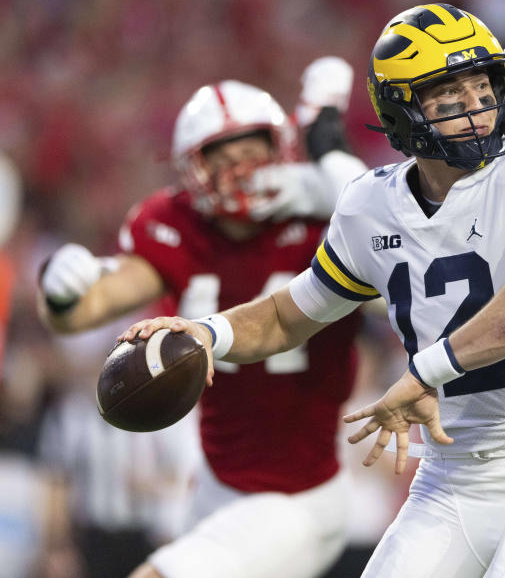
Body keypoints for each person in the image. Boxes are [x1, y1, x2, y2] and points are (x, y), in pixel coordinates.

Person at [116, 3, 505, 578]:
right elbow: (288, 316)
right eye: (448, 96)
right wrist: (208, 331)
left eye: (482, 86)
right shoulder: (371, 205)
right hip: (455, 479)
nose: (476, 108)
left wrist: (426, 372)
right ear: (403, 112)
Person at [37, 69, 368, 578]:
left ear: (279, 152)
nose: (241, 171)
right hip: (213, 486)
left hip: (298, 493)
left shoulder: (330, 220)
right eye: (223, 158)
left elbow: (411, 265)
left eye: (251, 154)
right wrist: (60, 294)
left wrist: (352, 199)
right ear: (192, 168)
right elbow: (86, 311)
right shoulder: (172, 223)